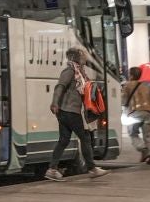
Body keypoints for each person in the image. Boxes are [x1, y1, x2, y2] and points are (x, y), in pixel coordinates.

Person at [45, 45, 110, 181]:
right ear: (78, 57)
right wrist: (54, 102)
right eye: (84, 55)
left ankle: (52, 169)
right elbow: (59, 87)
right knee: (85, 138)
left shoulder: (78, 72)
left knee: (63, 140)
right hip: (69, 111)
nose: (86, 57)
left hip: (66, 111)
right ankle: (92, 169)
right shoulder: (69, 71)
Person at [121, 66, 150, 164]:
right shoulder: (146, 86)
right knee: (148, 135)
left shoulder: (127, 86)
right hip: (148, 112)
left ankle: (143, 149)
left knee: (133, 133)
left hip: (135, 113)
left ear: (131, 75)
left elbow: (124, 100)